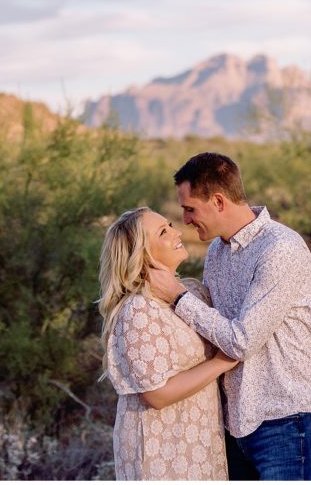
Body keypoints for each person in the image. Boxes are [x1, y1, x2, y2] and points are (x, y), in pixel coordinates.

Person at [149, 152, 311, 480]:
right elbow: (214, 327)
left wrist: (176, 296)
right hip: (233, 425)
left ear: (218, 201)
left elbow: (241, 341)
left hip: (282, 422)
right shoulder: (216, 252)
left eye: (190, 209)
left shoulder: (280, 248)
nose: (185, 220)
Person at [98, 206, 238, 480]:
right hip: (161, 446)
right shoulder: (138, 309)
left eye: (170, 225)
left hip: (201, 442)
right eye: (163, 232)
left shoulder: (193, 293)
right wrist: (222, 362)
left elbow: (238, 327)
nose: (176, 232)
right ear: (142, 253)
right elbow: (156, 395)